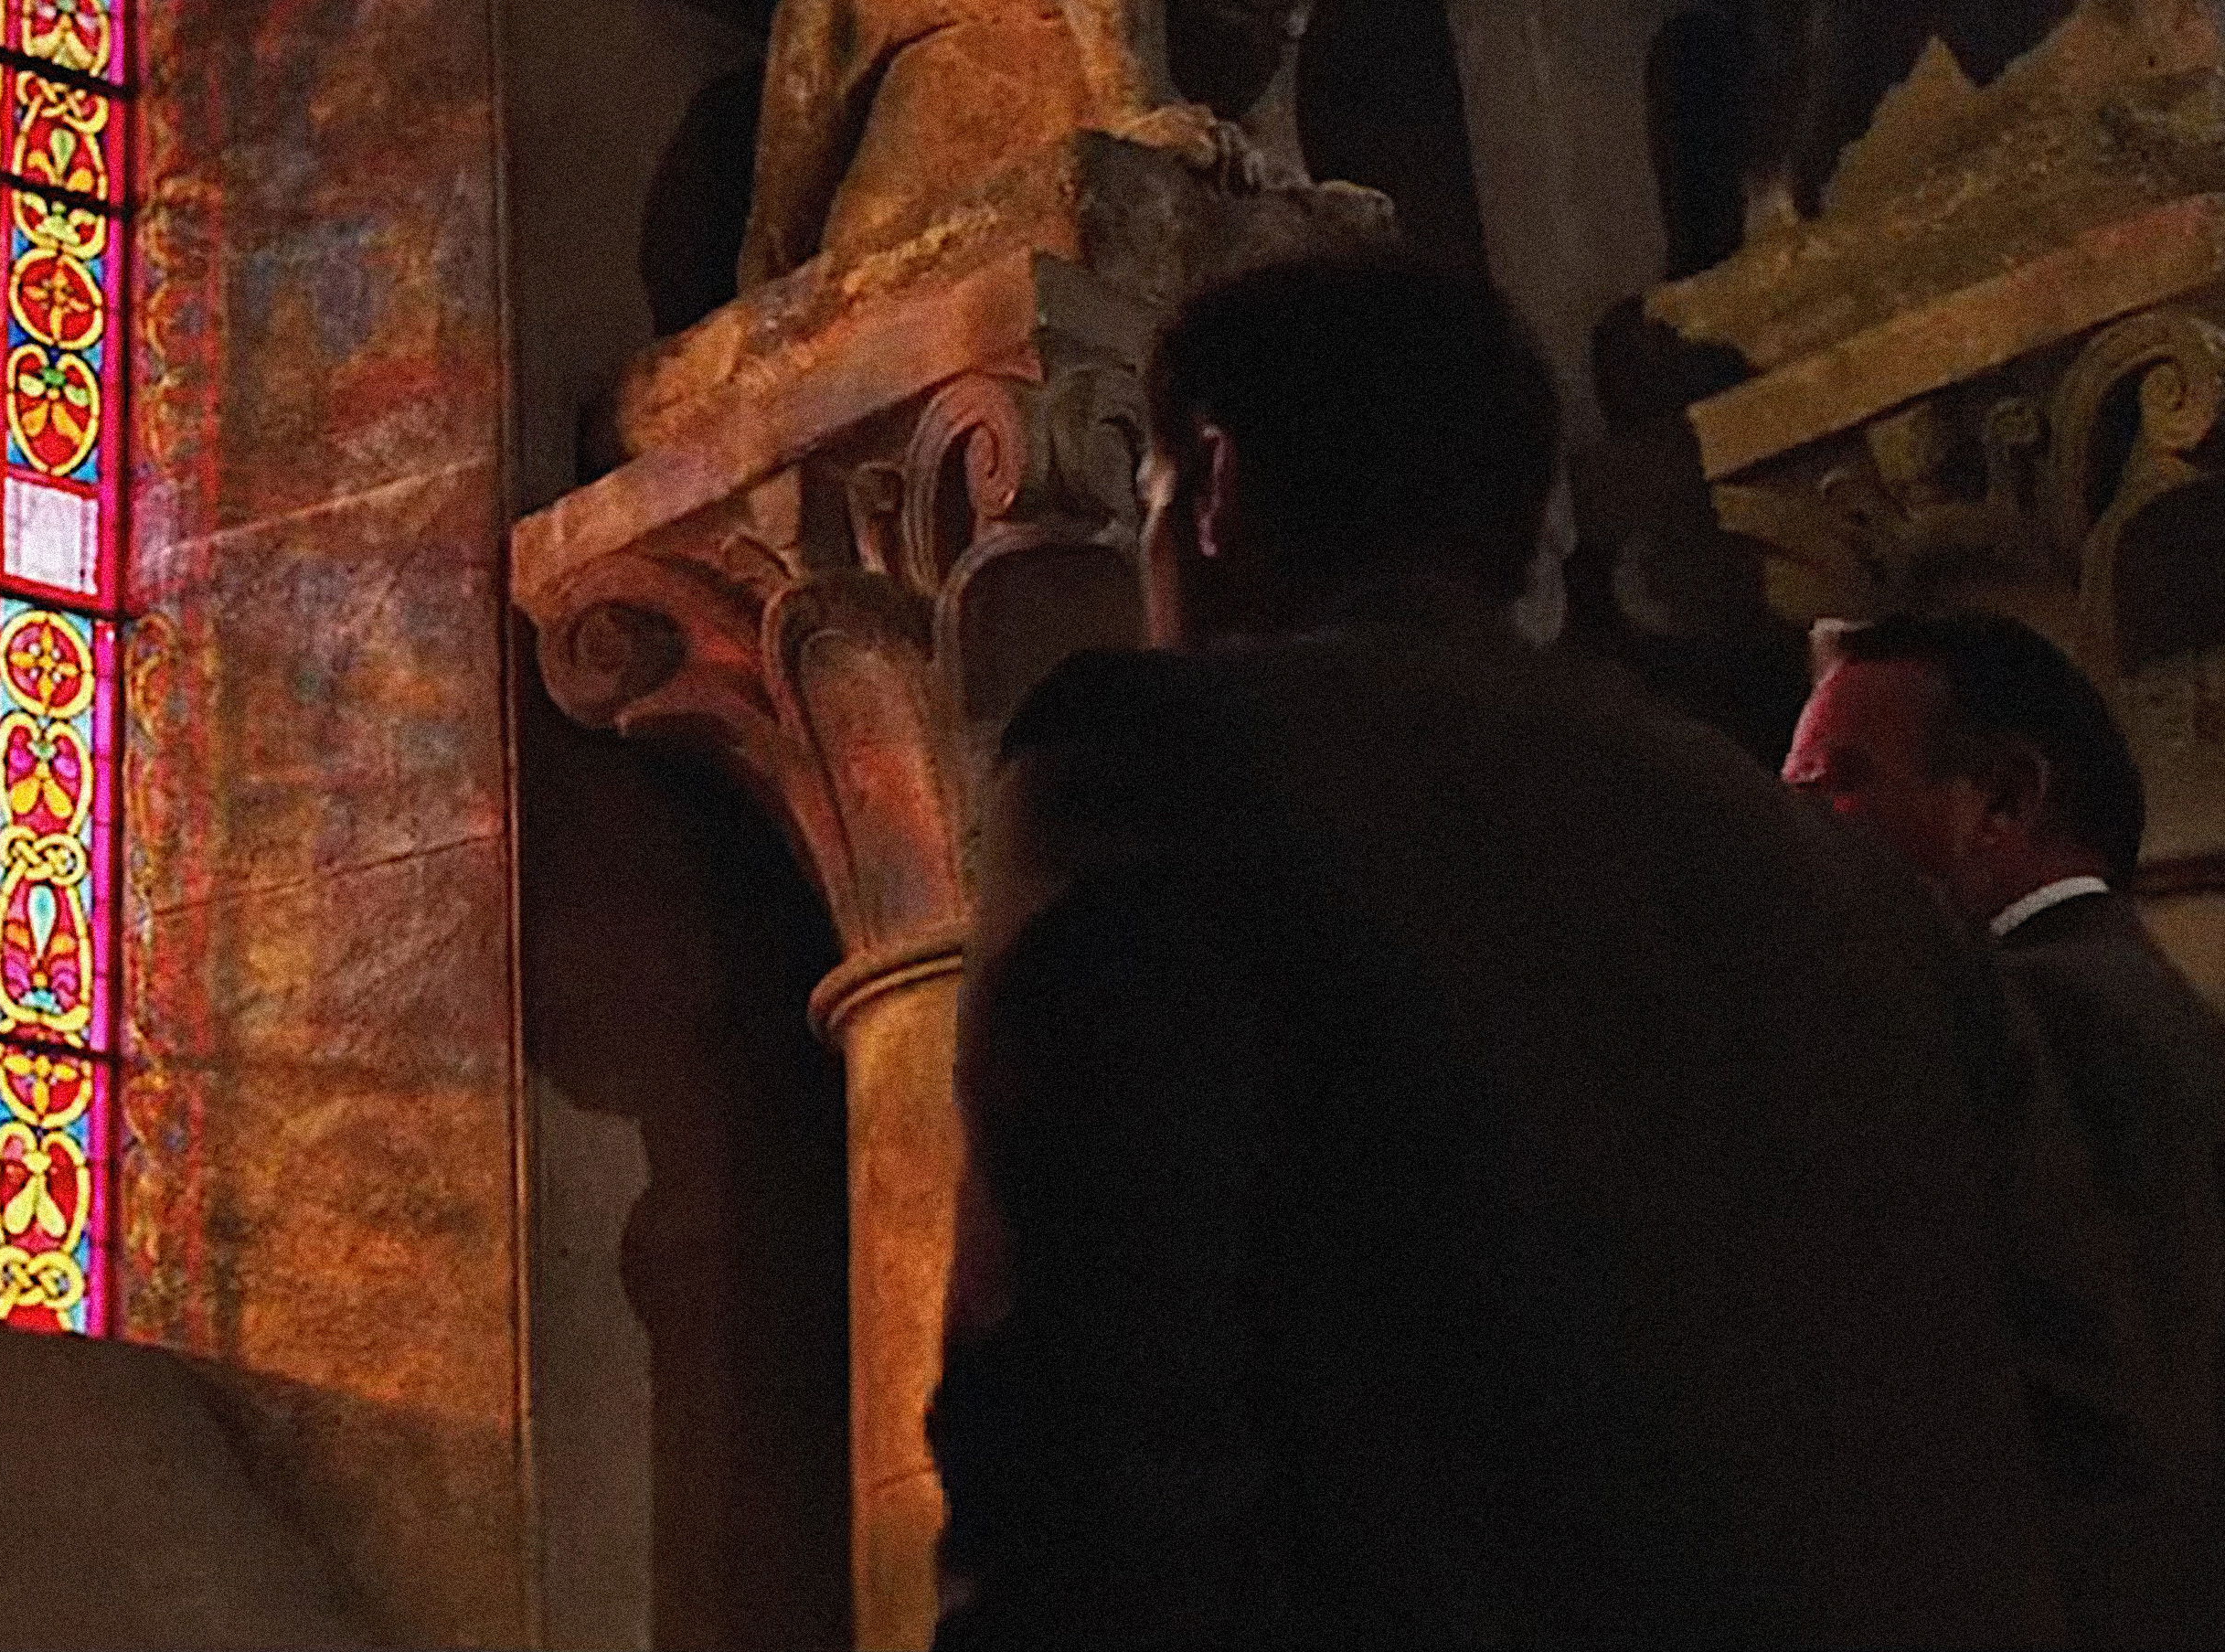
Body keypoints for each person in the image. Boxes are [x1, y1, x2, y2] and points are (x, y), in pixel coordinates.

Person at [932, 257, 2070, 1647]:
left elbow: (1084, 1441)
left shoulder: (1164, 766)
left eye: (1153, 501)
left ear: (1216, 483)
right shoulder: (1866, 898)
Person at [1789, 611, 2225, 1647]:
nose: (1796, 833)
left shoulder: (2036, 1015)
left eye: (1836, 785)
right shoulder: (2148, 1006)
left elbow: (2096, 1429)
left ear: (2003, 800)